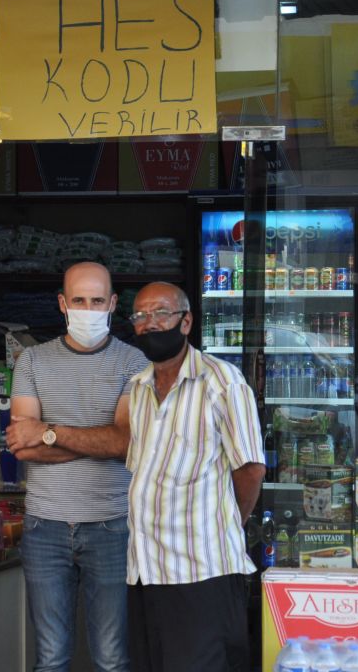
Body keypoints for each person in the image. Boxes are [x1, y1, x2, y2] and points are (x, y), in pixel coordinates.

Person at [4, 261, 148, 672]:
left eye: (98, 300)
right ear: (62, 304)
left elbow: (125, 443)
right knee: (50, 659)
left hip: (112, 526)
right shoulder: (31, 361)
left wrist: (47, 432)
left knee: (112, 659)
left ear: (114, 304)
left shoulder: (134, 363)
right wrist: (97, 439)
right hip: (43, 527)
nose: (89, 308)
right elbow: (21, 446)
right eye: (80, 300)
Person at [124, 282, 266, 672]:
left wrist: (223, 525)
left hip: (202, 572)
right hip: (147, 571)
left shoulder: (223, 382)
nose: (150, 323)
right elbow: (143, 471)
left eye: (161, 313)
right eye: (140, 316)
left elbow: (250, 469)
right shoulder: (138, 388)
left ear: (186, 321)